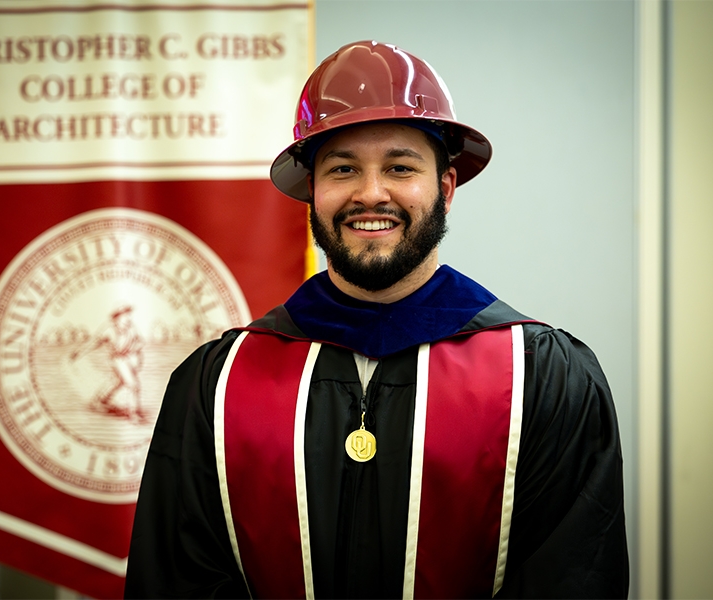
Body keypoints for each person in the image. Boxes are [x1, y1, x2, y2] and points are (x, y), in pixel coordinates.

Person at [125, 40, 628, 599]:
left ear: (446, 187)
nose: (371, 193)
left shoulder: (542, 378)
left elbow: (573, 579)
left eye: (399, 166)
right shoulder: (216, 385)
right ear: (311, 192)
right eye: (343, 169)